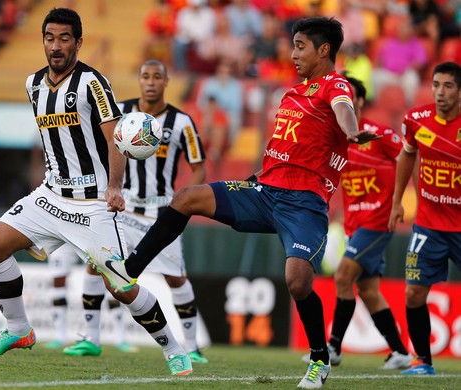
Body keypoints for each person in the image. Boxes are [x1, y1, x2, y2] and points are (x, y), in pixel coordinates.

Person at [88, 17, 380, 389]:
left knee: (298, 281)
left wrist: (352, 132)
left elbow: (343, 110)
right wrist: (255, 179)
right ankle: (129, 269)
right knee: (187, 197)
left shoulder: (335, 85)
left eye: (301, 47)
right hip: (265, 191)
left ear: (324, 50)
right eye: (293, 46)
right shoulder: (292, 95)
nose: (292, 54)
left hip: (304, 204)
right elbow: (284, 151)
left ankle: (320, 359)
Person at [0, 7, 193, 377]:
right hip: (49, 196)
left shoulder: (93, 83)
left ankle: (173, 347)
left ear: (78, 41)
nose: (56, 46)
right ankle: (19, 330)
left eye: (63, 38)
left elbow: (116, 139)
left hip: (91, 205)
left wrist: (113, 187)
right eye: (49, 38)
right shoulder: (32, 85)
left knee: (122, 287)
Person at [62, 59, 209, 364]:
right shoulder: (119, 113)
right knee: (97, 264)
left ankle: (192, 346)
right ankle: (90, 338)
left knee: (176, 278)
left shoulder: (181, 122)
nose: (151, 82)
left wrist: (183, 203)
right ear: (139, 80)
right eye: (145, 76)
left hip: (161, 212)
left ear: (166, 81)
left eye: (157, 76)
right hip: (123, 207)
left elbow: (199, 167)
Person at [300, 76, 413, 369]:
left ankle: (333, 347)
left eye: (351, 97)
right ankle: (400, 351)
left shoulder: (378, 134)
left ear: (360, 102)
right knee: (368, 292)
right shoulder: (335, 137)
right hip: (354, 223)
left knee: (342, 276)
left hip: (378, 220)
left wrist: (399, 201)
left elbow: (407, 158)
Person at [388, 61, 461, 376]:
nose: (440, 92)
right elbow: (406, 154)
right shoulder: (416, 120)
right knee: (414, 292)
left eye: (448, 86)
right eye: (435, 85)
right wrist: (397, 201)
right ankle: (422, 362)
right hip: (429, 225)